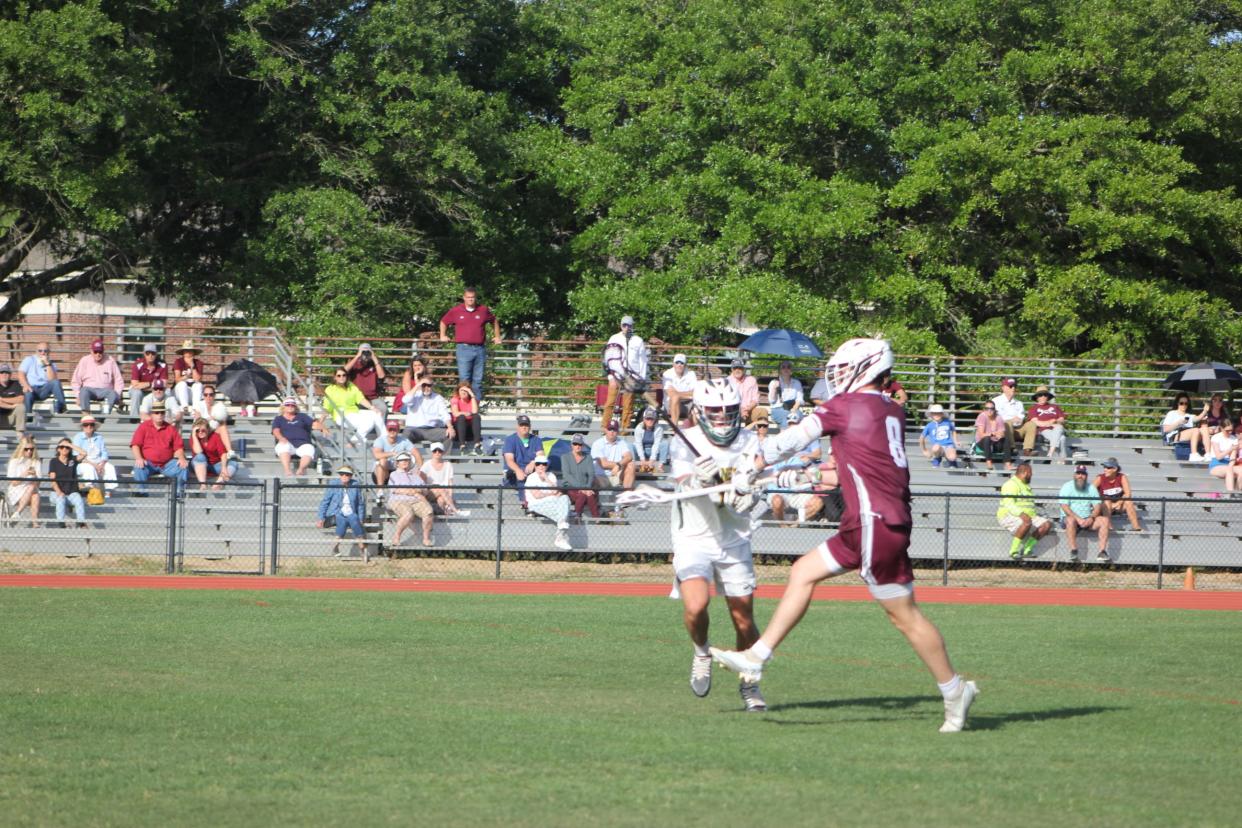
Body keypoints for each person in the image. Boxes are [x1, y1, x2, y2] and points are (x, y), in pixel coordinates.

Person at [710, 338, 978, 733]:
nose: (834, 376)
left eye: (841, 368)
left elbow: (790, 440)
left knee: (905, 617)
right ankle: (758, 655)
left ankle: (954, 691)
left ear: (863, 367)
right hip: (871, 519)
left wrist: (753, 465)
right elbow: (855, 467)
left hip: (873, 522)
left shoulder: (845, 406)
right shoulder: (890, 410)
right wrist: (789, 475)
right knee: (803, 571)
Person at [660, 378, 767, 711]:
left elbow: (757, 481)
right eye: (714, 411)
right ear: (700, 411)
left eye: (728, 410)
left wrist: (749, 496)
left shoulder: (751, 441)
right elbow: (681, 482)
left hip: (734, 538)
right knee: (695, 606)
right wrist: (700, 479)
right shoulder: (684, 440)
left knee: (744, 619)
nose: (721, 416)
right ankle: (702, 650)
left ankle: (750, 684)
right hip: (693, 535)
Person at [440, 287, 501, 403]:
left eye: (472, 297)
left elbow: (494, 321)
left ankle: (475, 405)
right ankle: (463, 404)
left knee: (478, 380)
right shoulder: (456, 311)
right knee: (464, 379)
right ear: (464, 298)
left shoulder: (483, 310)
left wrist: (497, 336)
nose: (470, 300)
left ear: (475, 298)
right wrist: (443, 335)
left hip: (480, 349)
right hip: (463, 348)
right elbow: (444, 322)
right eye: (468, 297)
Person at [601, 315, 651, 431]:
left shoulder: (638, 340)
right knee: (610, 403)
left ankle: (625, 430)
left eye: (629, 325)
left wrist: (641, 379)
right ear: (621, 325)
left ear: (632, 326)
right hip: (616, 376)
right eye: (624, 325)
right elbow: (607, 358)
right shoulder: (614, 338)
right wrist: (610, 377)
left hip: (631, 377)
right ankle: (605, 428)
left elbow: (642, 361)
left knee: (628, 405)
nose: (627, 327)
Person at [130, 400, 189, 491]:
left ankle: (178, 496)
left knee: (182, 467)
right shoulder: (143, 427)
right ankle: (141, 494)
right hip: (148, 463)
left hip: (167, 464)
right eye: (157, 413)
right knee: (139, 467)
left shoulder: (170, 428)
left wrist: (181, 458)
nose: (160, 415)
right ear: (151, 414)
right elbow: (135, 445)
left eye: (162, 412)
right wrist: (139, 458)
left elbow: (178, 448)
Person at [998, 461, 1052, 558]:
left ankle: (1027, 549)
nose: (1031, 476)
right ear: (1026, 473)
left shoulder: (1025, 486)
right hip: (1008, 515)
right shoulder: (1011, 484)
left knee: (1046, 524)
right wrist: (1022, 514)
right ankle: (1013, 551)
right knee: (1027, 522)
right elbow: (1009, 504)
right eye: (1031, 473)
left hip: (1029, 516)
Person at [321, 367, 385, 446]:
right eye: (339, 375)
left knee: (377, 414)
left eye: (344, 375)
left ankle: (384, 440)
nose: (342, 377)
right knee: (368, 423)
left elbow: (360, 399)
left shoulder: (351, 386)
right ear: (335, 377)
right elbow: (327, 406)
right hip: (341, 415)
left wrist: (373, 408)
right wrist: (321, 421)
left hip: (355, 412)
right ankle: (353, 442)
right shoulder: (330, 389)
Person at [1058, 464, 1110, 561]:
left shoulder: (1091, 488)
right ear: (1074, 475)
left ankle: (1102, 552)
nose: (1080, 476)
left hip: (1087, 519)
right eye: (1078, 473)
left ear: (1086, 476)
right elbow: (1064, 506)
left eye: (1083, 474)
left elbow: (1097, 506)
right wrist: (1078, 519)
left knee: (1104, 520)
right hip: (1071, 519)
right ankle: (1073, 551)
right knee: (1070, 520)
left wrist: (1091, 518)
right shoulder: (1067, 486)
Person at [524, 453, 573, 551]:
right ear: (535, 465)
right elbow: (537, 496)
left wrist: (546, 479)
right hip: (536, 504)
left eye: (544, 464)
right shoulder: (531, 477)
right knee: (564, 511)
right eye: (538, 464)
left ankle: (561, 529)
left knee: (565, 498)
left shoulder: (551, 476)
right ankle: (560, 537)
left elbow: (556, 491)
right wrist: (552, 494)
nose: (541, 466)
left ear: (547, 465)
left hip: (552, 502)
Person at [316, 464, 367, 557]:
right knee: (342, 519)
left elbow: (360, 504)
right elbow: (325, 501)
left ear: (351, 476)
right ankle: (362, 548)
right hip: (336, 512)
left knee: (354, 518)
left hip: (351, 512)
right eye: (342, 474)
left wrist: (361, 518)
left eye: (347, 474)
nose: (344, 476)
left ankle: (357, 547)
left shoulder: (355, 485)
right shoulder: (333, 484)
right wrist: (321, 517)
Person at [387, 453, 434, 548]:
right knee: (408, 514)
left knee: (429, 512)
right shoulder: (393, 474)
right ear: (397, 463)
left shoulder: (415, 475)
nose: (405, 461)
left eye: (407, 460)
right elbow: (395, 490)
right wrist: (412, 492)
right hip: (399, 500)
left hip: (416, 500)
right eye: (402, 460)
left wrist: (417, 490)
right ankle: (396, 537)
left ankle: (426, 539)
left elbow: (425, 490)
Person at [71, 339, 124, 415]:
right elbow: (76, 380)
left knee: (112, 393)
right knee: (83, 391)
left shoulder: (110, 361)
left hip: (106, 391)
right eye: (95, 352)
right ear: (91, 351)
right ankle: (86, 416)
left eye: (100, 352)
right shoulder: (84, 360)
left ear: (103, 351)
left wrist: (117, 395)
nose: (98, 354)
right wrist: (77, 395)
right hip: (89, 390)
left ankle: (102, 417)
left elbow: (118, 380)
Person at [272, 397, 322, 477]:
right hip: (287, 443)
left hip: (303, 443)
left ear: (295, 407)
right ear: (283, 407)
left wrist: (323, 427)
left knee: (309, 449)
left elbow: (314, 425)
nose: (290, 406)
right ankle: (287, 470)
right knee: (283, 446)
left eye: (292, 405)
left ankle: (301, 469)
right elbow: (275, 431)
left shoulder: (302, 416)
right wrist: (281, 438)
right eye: (288, 405)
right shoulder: (279, 419)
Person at [72, 415, 118, 496]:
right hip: (84, 463)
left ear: (94, 426)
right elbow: (77, 456)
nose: (89, 427)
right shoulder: (78, 437)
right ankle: (92, 491)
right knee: (89, 468)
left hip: (99, 462)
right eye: (86, 425)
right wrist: (95, 465)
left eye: (91, 425)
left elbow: (104, 452)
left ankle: (108, 491)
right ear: (82, 427)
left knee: (110, 467)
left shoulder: (99, 437)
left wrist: (102, 464)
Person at [1018, 386, 1068, 459]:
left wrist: (1056, 421)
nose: (1043, 397)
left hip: (1057, 428)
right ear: (1037, 397)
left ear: (1048, 396)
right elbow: (1036, 422)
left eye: (1045, 395)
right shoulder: (1033, 409)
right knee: (1062, 438)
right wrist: (1051, 423)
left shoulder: (1055, 407)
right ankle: (1063, 459)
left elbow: (1062, 419)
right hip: (1043, 430)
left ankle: (1050, 452)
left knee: (1059, 427)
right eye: (1040, 395)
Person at [1094, 457, 1143, 531]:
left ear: (1115, 469)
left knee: (1129, 502)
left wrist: (1118, 503)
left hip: (1118, 506)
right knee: (1107, 502)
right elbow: (1090, 492)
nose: (1105, 469)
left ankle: (1136, 527)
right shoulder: (1100, 478)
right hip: (1104, 506)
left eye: (1108, 468)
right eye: (1104, 467)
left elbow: (1128, 494)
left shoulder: (1122, 477)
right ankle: (1108, 526)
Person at [17, 342, 67, 414]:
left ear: (49, 352)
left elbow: (52, 380)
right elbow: (21, 374)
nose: (42, 353)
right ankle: (27, 417)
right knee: (27, 392)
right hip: (32, 388)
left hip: (45, 389)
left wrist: (47, 364)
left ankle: (61, 408)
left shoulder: (51, 364)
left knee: (56, 382)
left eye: (45, 351)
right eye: (40, 350)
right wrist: (25, 385)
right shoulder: (29, 360)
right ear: (36, 351)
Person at [502, 414, 541, 503]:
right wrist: (518, 470)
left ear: (530, 427)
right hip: (513, 473)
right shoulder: (510, 440)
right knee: (522, 474)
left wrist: (534, 462)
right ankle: (525, 502)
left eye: (526, 425)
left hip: (531, 471)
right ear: (517, 427)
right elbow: (509, 460)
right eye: (522, 425)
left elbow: (541, 455)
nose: (524, 427)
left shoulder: (536, 440)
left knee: (546, 464)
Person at [48, 438, 87, 527]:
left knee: (79, 499)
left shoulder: (72, 460)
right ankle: (61, 523)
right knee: (60, 499)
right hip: (56, 493)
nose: (64, 449)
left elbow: (84, 453)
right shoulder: (54, 461)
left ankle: (81, 523)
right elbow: (52, 480)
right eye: (62, 447)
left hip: (71, 493)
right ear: (58, 449)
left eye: (67, 447)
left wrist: (70, 444)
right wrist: (59, 492)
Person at [400, 381, 453, 445]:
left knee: (449, 434)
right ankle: (404, 455)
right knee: (406, 434)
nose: (426, 388)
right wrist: (417, 385)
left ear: (432, 386)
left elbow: (444, 414)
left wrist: (450, 427)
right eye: (424, 385)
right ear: (420, 386)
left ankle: (444, 455)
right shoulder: (414, 395)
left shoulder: (438, 398)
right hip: (413, 429)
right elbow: (405, 400)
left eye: (429, 385)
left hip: (432, 429)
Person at [191, 419, 238, 491]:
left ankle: (219, 483)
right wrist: (194, 435)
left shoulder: (215, 436)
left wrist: (224, 468)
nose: (200, 432)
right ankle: (203, 484)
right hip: (198, 466)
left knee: (234, 463)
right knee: (200, 456)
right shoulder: (194, 437)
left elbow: (223, 453)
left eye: (203, 430)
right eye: (197, 430)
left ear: (208, 429)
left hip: (214, 466)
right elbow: (199, 452)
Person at [561, 434, 600, 518]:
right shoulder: (565, 457)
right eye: (575, 444)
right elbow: (567, 475)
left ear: (583, 445)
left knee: (589, 495)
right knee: (585, 495)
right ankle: (580, 517)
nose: (577, 446)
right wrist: (582, 488)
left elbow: (591, 474)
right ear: (571, 445)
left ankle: (593, 519)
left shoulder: (588, 458)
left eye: (580, 444)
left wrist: (587, 488)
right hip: (571, 487)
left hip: (586, 488)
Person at [6, 435, 42, 527]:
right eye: (26, 449)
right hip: (16, 489)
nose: (29, 451)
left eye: (31, 449)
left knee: (35, 494)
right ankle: (31, 520)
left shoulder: (36, 462)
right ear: (22, 449)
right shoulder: (14, 462)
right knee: (33, 490)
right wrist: (24, 474)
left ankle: (26, 518)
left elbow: (38, 484)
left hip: (30, 489)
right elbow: (13, 483)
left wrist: (35, 475)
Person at [345, 343, 389, 419]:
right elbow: (344, 371)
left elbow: (381, 376)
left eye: (367, 351)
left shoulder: (375, 363)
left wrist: (374, 358)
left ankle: (380, 430)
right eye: (363, 351)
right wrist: (357, 356)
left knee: (383, 408)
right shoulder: (354, 363)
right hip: (357, 398)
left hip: (373, 398)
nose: (365, 354)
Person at [372, 420, 420, 488]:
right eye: (390, 429)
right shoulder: (380, 440)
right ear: (387, 430)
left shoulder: (404, 441)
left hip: (397, 472)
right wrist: (392, 454)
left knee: (406, 463)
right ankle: (380, 489)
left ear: (398, 430)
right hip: (381, 473)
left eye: (394, 429)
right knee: (382, 461)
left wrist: (419, 468)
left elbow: (416, 453)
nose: (392, 431)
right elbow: (376, 455)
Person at [591, 419, 636, 491]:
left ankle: (626, 496)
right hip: (601, 477)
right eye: (610, 429)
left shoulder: (622, 442)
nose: (612, 432)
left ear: (617, 432)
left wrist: (619, 465)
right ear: (605, 430)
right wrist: (619, 465)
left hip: (617, 476)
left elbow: (629, 457)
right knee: (593, 480)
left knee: (631, 465)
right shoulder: (597, 444)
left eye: (614, 430)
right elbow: (604, 464)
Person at [1161, 393, 1206, 459]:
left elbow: (1198, 418)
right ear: (1177, 403)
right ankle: (1194, 454)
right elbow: (1165, 429)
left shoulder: (1189, 415)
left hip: (1187, 435)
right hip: (1175, 436)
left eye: (1186, 403)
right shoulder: (1172, 413)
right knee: (1196, 430)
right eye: (1181, 403)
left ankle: (1208, 454)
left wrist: (1205, 410)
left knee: (1204, 429)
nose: (1184, 405)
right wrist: (1178, 423)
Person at [420, 442, 460, 515]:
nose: (437, 452)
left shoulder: (448, 465)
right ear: (432, 452)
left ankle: (441, 518)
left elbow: (450, 483)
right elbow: (422, 482)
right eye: (435, 451)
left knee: (441, 500)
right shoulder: (426, 465)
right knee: (440, 488)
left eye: (440, 451)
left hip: (444, 494)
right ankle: (454, 509)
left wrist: (449, 497)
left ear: (443, 452)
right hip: (430, 493)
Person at [128, 345, 166, 417]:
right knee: (136, 392)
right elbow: (135, 385)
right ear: (144, 354)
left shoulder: (162, 365)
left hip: (154, 391)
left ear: (156, 354)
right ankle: (134, 418)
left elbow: (163, 384)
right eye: (148, 353)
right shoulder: (137, 364)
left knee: (167, 392)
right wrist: (150, 384)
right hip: (141, 391)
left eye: (153, 353)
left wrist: (144, 385)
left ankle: (164, 417)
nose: (150, 356)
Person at [973, 400, 1012, 470]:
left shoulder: (999, 418)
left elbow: (1002, 432)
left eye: (992, 408)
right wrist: (992, 434)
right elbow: (981, 435)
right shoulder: (982, 416)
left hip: (994, 442)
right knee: (987, 438)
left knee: (1006, 439)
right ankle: (989, 462)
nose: (989, 410)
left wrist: (1000, 435)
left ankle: (1008, 464)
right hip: (982, 442)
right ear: (984, 409)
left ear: (994, 409)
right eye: (987, 408)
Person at [767, 360, 805, 431]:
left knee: (797, 415)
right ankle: (784, 438)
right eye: (783, 367)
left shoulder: (796, 383)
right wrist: (775, 389)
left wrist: (794, 408)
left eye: (788, 367)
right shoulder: (774, 382)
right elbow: (771, 400)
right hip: (777, 409)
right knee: (788, 417)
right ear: (780, 370)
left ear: (791, 370)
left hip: (794, 408)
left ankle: (787, 438)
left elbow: (800, 398)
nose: (786, 369)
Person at [919, 404, 960, 468]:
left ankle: (951, 461)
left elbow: (953, 430)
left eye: (938, 413)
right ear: (931, 414)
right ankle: (937, 458)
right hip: (938, 447)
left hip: (948, 445)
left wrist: (956, 441)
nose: (936, 415)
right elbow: (921, 437)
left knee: (952, 457)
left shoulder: (947, 422)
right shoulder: (929, 425)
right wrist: (924, 450)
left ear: (942, 414)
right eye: (934, 413)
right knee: (936, 448)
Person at [725, 358, 764, 424]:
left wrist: (747, 409)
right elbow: (726, 401)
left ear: (743, 369)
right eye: (735, 368)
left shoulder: (751, 380)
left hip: (749, 409)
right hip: (733, 411)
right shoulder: (727, 381)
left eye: (739, 368)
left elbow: (755, 399)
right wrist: (740, 410)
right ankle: (732, 433)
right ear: (731, 369)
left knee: (763, 412)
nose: (737, 370)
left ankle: (759, 434)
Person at [661, 353, 697, 423]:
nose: (679, 365)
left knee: (698, 406)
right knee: (675, 398)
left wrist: (677, 394)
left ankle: (698, 431)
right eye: (677, 362)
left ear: (685, 365)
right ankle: (675, 428)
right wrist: (687, 394)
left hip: (689, 404)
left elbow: (696, 392)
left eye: (682, 363)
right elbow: (670, 393)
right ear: (673, 364)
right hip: (670, 405)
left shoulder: (691, 374)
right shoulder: (667, 374)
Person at [990, 377, 1025, 448]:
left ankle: (1027, 450)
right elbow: (998, 419)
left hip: (1017, 429)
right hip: (1002, 430)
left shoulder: (1019, 403)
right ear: (1003, 388)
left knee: (1031, 425)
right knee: (1008, 423)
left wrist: (1010, 420)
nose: (1013, 388)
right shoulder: (995, 401)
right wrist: (1012, 420)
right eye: (1010, 386)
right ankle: (1012, 447)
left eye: (1015, 386)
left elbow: (1020, 420)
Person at [449, 383, 482, 455]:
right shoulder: (455, 400)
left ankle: (477, 445)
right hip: (458, 430)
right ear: (458, 392)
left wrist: (472, 395)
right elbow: (455, 413)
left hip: (470, 431)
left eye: (466, 391)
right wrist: (464, 413)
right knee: (461, 417)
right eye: (462, 390)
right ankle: (462, 446)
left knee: (476, 417)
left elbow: (474, 412)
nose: (464, 392)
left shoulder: (473, 400)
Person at [632, 407, 667, 475]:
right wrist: (642, 459)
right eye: (647, 418)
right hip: (643, 450)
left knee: (665, 443)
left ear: (655, 419)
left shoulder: (659, 428)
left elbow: (657, 444)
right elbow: (638, 444)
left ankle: (660, 466)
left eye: (651, 419)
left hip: (653, 451)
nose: (649, 420)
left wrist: (652, 460)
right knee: (630, 445)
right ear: (644, 419)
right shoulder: (638, 428)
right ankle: (635, 466)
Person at [171, 340, 205, 410]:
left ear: (194, 353)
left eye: (190, 351)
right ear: (183, 353)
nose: (188, 353)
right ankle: (185, 407)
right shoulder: (178, 362)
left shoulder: (198, 363)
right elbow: (177, 380)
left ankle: (196, 408)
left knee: (198, 385)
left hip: (192, 393)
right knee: (182, 384)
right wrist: (187, 376)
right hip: (179, 393)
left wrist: (193, 367)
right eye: (186, 351)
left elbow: (198, 380)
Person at [1207, 419, 1239, 492]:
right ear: (1221, 428)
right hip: (1217, 464)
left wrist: (1231, 465)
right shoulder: (1216, 437)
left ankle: (1240, 492)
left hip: (1229, 464)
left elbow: (1232, 457)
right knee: (1229, 470)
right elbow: (1218, 456)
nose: (1230, 432)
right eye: (1227, 430)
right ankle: (1231, 493)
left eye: (1231, 430)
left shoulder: (1234, 439)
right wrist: (1230, 449)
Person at [1196, 394, 1230, 462]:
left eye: (1220, 400)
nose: (1218, 402)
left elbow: (1227, 426)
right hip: (1207, 434)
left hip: (1219, 435)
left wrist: (1219, 428)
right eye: (1215, 400)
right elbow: (1202, 425)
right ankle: (1208, 453)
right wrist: (1209, 429)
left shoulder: (1224, 414)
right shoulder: (1206, 413)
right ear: (1211, 402)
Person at [0, 363, 28, 435]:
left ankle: (20, 434)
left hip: (12, 417)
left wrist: (2, 399)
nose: (4, 374)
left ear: (10, 374)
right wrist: (11, 406)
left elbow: (21, 399)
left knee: (21, 406)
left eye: (7, 372)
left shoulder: (15, 384)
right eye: (2, 372)